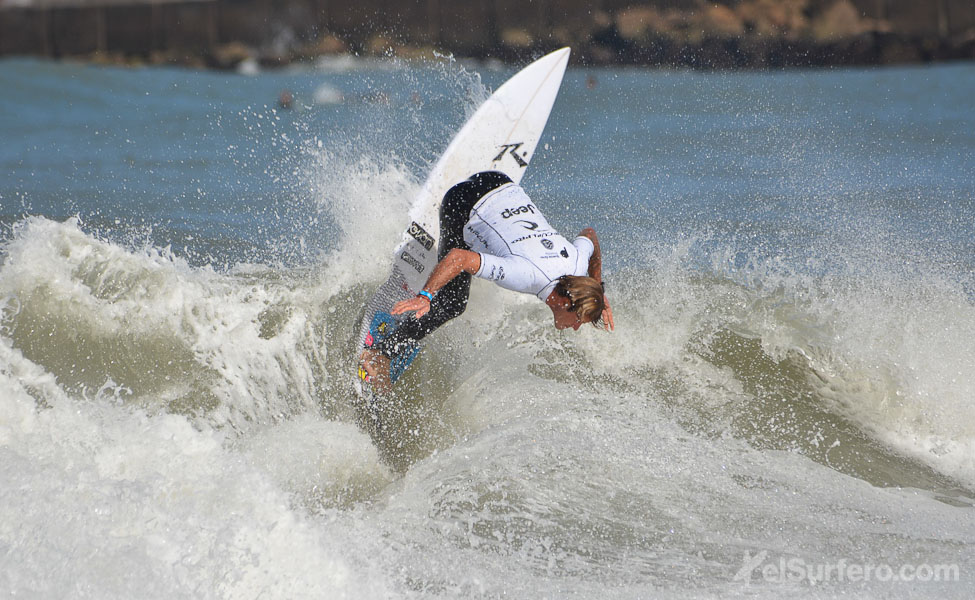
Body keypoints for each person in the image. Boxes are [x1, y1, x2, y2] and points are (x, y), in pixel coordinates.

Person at [360, 171, 614, 393]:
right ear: (565, 302)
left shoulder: (577, 266)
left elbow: (589, 235)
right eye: (578, 319)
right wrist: (425, 296)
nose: (576, 327)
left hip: (500, 182)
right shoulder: (526, 274)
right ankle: (380, 353)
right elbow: (458, 258)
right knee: (452, 303)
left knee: (482, 261)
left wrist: (596, 287)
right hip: (462, 202)